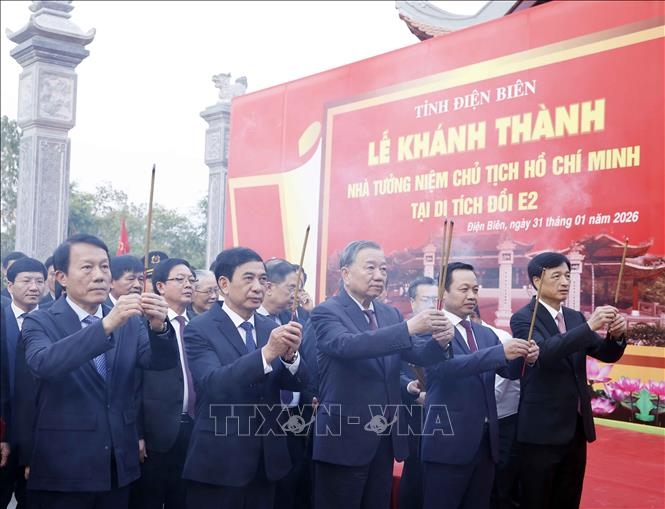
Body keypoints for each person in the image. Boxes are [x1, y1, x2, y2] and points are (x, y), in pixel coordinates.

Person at [21, 233, 178, 508]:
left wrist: (159, 328)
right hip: (63, 468)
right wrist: (105, 326)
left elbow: (158, 362)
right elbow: (44, 363)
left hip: (116, 465)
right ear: (61, 277)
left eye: (104, 267)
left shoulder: (129, 321)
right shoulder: (40, 321)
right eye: (87, 267)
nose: (99, 275)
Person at [310, 240, 454, 509]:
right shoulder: (326, 312)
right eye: (370, 268)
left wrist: (440, 343)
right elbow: (347, 346)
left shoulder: (389, 313)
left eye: (384, 269)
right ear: (346, 273)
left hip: (384, 437)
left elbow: (416, 353)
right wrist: (408, 328)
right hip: (343, 437)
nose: (379, 275)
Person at [182, 247, 309, 509]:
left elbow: (297, 383)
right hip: (220, 461)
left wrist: (291, 357)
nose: (258, 287)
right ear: (224, 284)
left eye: (262, 279)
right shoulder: (200, 328)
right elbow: (213, 383)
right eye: (248, 278)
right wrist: (267, 353)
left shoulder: (269, 327)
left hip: (267, 461)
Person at [510, 252, 627, 509]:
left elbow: (605, 353)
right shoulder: (523, 318)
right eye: (556, 276)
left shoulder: (575, 317)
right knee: (536, 500)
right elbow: (544, 353)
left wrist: (616, 336)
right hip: (541, 429)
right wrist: (589, 327)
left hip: (575, 426)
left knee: (569, 498)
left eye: (567, 275)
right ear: (537, 281)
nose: (565, 282)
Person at [420, 262, 538, 509]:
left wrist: (525, 357)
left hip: (486, 444)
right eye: (464, 289)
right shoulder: (430, 328)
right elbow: (444, 369)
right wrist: (499, 353)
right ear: (443, 292)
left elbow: (508, 372)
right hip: (448, 444)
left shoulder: (484, 334)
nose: (472, 296)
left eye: (475, 289)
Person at [135, 258, 197, 509]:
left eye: (191, 280)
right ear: (160, 286)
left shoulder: (201, 325)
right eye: (180, 279)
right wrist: (137, 434)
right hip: (155, 434)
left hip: (195, 430)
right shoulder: (140, 325)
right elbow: (133, 383)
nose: (188, 285)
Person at [258, 259, 312, 509]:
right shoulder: (251, 323)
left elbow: (308, 365)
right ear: (269, 287)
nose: (296, 295)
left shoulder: (296, 320)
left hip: (295, 418)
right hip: (260, 421)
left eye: (299, 289)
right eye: (291, 288)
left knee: (292, 489)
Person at [0, 257, 46, 509]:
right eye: (27, 281)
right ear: (10, 286)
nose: (34, 287)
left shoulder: (53, 322)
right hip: (3, 427)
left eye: (39, 281)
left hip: (39, 433)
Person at [469, 306, 521, 509]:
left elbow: (495, 389)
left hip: (502, 419)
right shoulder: (458, 337)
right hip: (477, 420)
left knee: (501, 479)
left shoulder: (500, 338)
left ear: (474, 316)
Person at [398, 276, 438, 509]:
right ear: (412, 302)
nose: (432, 305)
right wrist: (410, 389)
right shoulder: (402, 333)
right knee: (415, 473)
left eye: (436, 299)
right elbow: (392, 371)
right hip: (413, 414)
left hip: (447, 414)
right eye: (426, 299)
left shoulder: (447, 334)